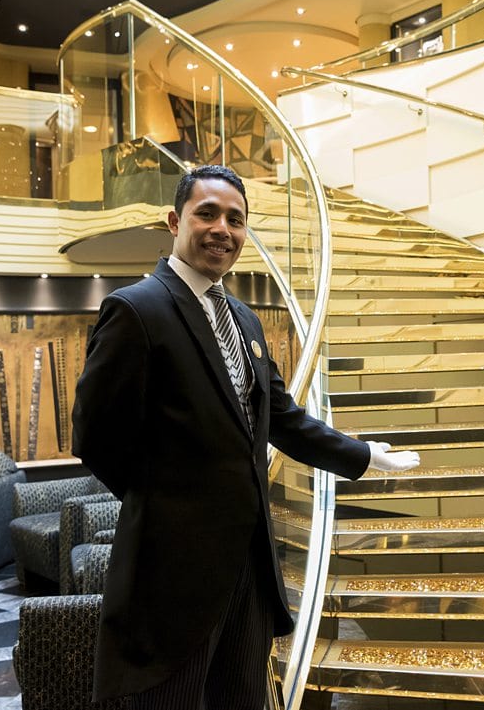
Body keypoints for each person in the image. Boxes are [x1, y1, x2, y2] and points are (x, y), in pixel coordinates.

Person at [72, 165, 420, 709]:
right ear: (174, 221)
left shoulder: (244, 319)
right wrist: (165, 505)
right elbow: (95, 437)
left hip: (249, 568)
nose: (222, 229)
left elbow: (280, 417)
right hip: (171, 575)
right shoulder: (137, 310)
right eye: (206, 213)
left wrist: (363, 454)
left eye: (236, 219)